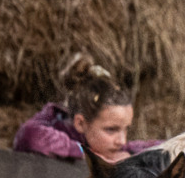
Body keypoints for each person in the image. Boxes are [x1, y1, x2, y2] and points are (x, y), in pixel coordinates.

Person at [13, 53, 160, 163]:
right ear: (80, 123)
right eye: (111, 130)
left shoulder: (107, 145)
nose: (122, 141)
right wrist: (85, 154)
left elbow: (155, 146)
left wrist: (132, 157)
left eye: (126, 129)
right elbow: (29, 135)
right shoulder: (55, 125)